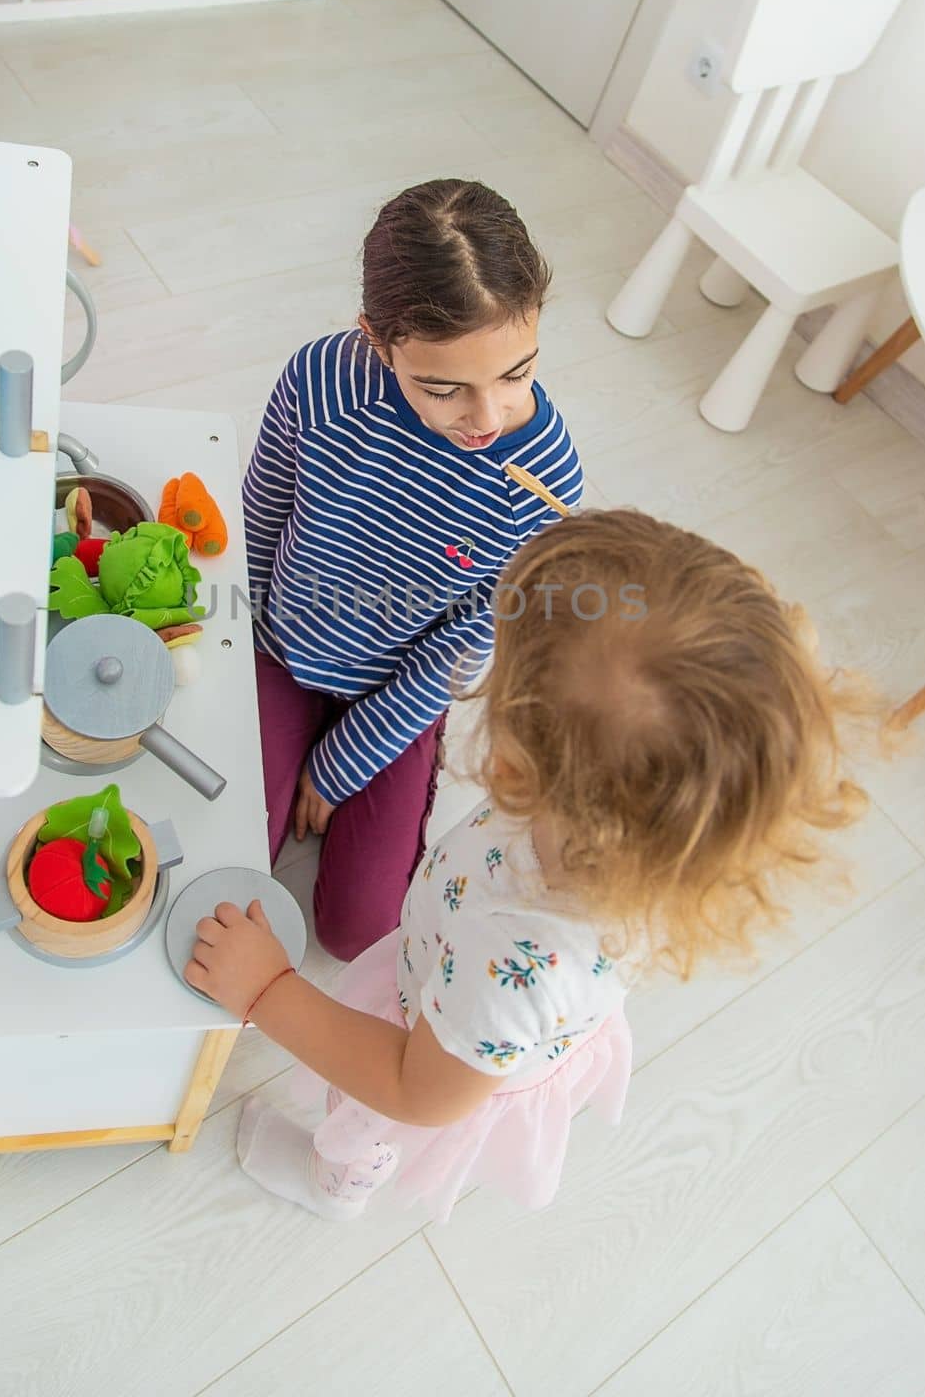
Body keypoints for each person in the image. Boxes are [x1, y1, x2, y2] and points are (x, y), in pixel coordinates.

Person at [187, 509, 872, 1223]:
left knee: (356, 1115)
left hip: (435, 1042)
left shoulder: (515, 958)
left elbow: (411, 1089)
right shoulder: (643, 835)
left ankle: (336, 1183)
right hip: (457, 975)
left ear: (516, 764)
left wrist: (267, 989)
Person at [243, 178, 582, 960]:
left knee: (357, 929)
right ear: (374, 338)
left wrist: (338, 766)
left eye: (516, 372)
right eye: (444, 388)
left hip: (401, 687)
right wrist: (235, 646)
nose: (487, 416)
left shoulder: (545, 478)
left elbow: (459, 649)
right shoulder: (320, 378)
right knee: (230, 858)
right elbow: (262, 513)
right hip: (282, 645)